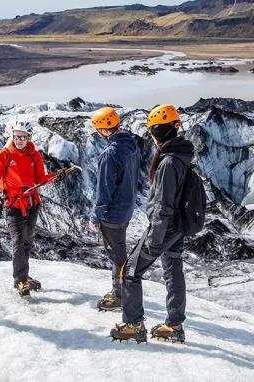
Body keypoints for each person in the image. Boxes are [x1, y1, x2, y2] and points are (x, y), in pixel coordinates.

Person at [110, 104, 194, 343]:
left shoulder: (168, 163)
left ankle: (134, 325)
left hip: (164, 228)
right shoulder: (182, 155)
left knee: (130, 272)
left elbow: (163, 205)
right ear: (175, 128)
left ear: (155, 133)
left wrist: (154, 239)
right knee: (173, 270)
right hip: (178, 227)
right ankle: (174, 325)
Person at [0, 120, 66, 299]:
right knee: (18, 242)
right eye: (17, 136)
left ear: (29, 138)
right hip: (13, 205)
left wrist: (55, 176)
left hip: (32, 203)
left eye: (23, 137)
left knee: (26, 241)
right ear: (13, 136)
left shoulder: (34, 155)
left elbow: (40, 178)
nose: (20, 140)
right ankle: (20, 280)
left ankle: (23, 275)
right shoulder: (4, 155)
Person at [90, 107, 140, 311]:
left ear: (104, 130)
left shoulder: (109, 154)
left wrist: (96, 215)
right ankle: (121, 291)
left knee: (116, 256)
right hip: (127, 208)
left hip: (113, 213)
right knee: (119, 252)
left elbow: (104, 190)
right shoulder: (131, 146)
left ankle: (119, 296)